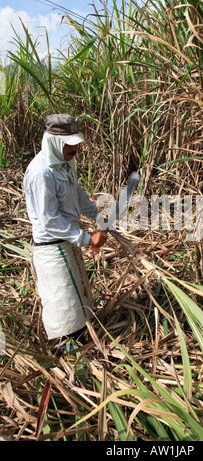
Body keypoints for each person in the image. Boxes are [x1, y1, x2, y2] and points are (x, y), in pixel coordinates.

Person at [23, 114, 107, 350]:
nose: (76, 148)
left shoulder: (64, 164)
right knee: (64, 311)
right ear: (53, 142)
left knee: (78, 303)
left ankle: (84, 348)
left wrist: (98, 217)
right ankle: (72, 363)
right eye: (69, 143)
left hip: (68, 244)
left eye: (77, 142)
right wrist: (87, 238)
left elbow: (78, 195)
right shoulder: (41, 173)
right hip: (52, 251)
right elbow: (48, 220)